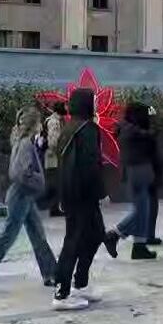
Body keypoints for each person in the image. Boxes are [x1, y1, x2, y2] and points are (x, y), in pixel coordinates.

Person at [0, 106, 56, 293]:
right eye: (39, 121)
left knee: (37, 234)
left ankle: (52, 273)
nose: (42, 125)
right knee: (6, 237)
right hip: (21, 194)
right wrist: (39, 181)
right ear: (35, 124)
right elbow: (19, 173)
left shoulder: (23, 141)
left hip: (24, 195)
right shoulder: (25, 144)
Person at [52, 88, 115, 310]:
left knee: (96, 234)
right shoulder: (87, 129)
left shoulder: (70, 128)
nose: (96, 103)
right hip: (82, 195)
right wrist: (102, 192)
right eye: (94, 100)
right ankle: (61, 292)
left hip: (73, 193)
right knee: (74, 241)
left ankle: (81, 283)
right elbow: (91, 164)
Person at [108, 102, 162, 260]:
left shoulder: (126, 129)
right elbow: (149, 141)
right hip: (139, 173)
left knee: (142, 210)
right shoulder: (133, 131)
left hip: (137, 172)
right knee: (141, 211)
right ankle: (115, 233)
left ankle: (139, 246)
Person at [43, 101, 67, 217]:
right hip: (53, 156)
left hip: (55, 156)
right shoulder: (54, 121)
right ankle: (53, 208)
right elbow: (53, 141)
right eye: (65, 106)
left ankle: (55, 207)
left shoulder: (59, 120)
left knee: (56, 182)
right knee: (54, 182)